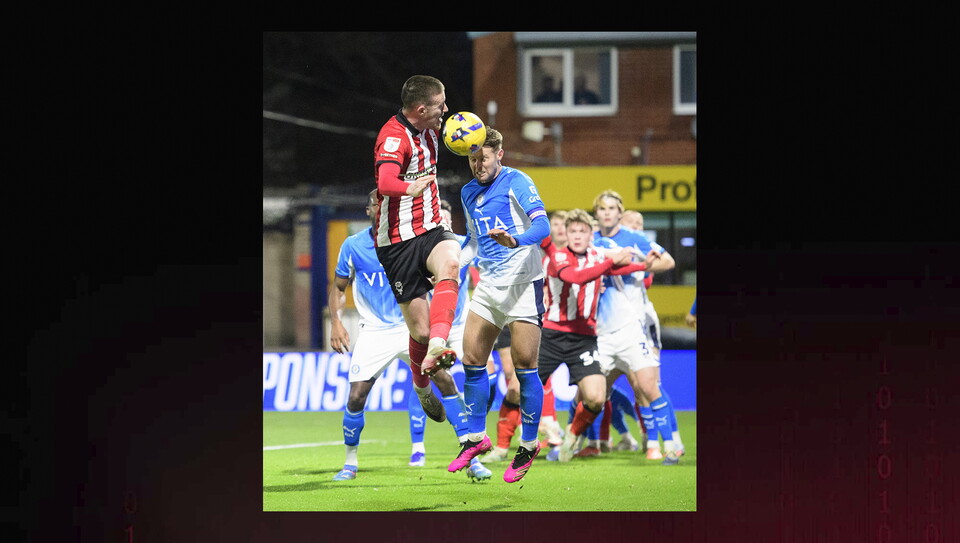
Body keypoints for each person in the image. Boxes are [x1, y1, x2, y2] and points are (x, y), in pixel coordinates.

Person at [328, 191, 487, 481]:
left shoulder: (412, 241)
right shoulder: (353, 246)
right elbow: (339, 287)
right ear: (370, 210)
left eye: (390, 203)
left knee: (445, 381)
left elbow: (462, 253)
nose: (385, 207)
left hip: (411, 325)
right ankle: (350, 462)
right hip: (375, 331)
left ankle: (471, 455)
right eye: (379, 203)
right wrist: (336, 323)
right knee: (356, 397)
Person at [450, 127, 552, 483]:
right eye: (472, 158)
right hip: (490, 286)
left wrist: (516, 240)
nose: (478, 163)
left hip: (524, 283)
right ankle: (476, 440)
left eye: (484, 156)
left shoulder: (516, 181)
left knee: (525, 368)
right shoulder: (467, 192)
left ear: (499, 154)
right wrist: (453, 266)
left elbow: (543, 227)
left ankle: (528, 445)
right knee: (472, 359)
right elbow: (475, 242)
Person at [372, 75, 461, 425]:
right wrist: (410, 188)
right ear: (422, 109)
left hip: (432, 228)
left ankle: (440, 345)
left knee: (451, 264)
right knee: (419, 333)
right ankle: (422, 386)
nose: (447, 109)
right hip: (396, 242)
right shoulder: (394, 136)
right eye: (441, 104)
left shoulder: (432, 129)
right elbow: (385, 183)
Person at [538, 208, 655, 462]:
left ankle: (572, 435)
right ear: (566, 234)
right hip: (552, 335)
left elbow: (614, 271)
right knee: (521, 389)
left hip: (585, 339)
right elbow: (575, 277)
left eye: (583, 231)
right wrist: (612, 260)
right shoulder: (558, 256)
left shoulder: (595, 256)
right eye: (573, 231)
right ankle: (509, 445)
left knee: (596, 397)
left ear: (591, 234)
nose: (578, 236)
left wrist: (644, 265)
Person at [592, 190, 681, 465]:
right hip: (603, 327)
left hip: (637, 321)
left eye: (612, 208)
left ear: (619, 213)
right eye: (602, 208)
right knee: (595, 390)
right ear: (597, 213)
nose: (607, 213)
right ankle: (592, 441)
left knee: (646, 384)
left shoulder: (634, 239)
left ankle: (666, 441)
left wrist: (643, 265)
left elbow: (668, 261)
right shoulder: (592, 240)